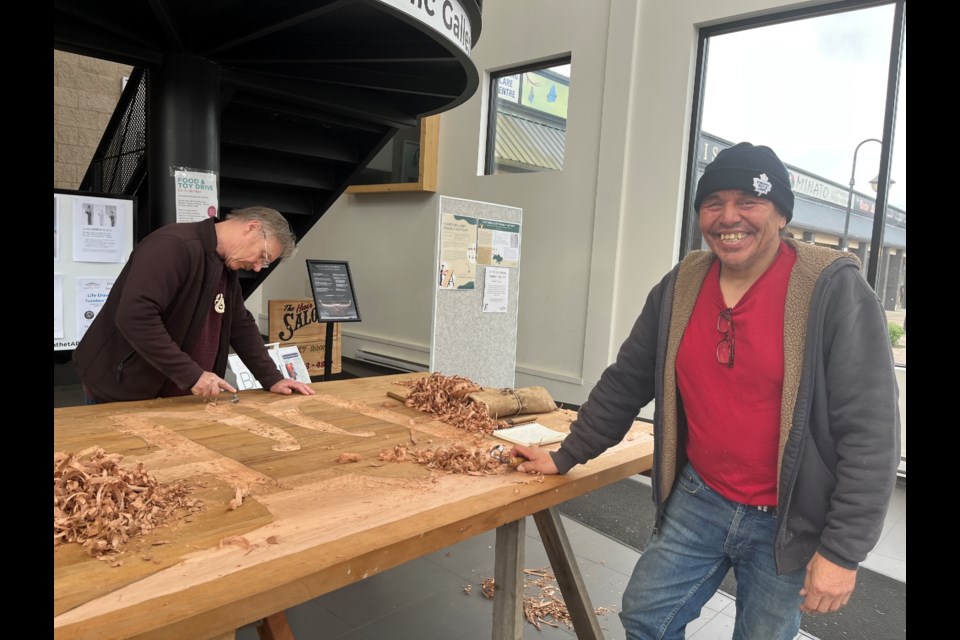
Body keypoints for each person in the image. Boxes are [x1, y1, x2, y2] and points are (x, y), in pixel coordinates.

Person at [510, 143, 900, 640]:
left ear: (780, 212)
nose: (728, 217)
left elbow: (871, 431)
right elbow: (627, 377)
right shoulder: (685, 282)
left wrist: (842, 552)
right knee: (646, 618)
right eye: (713, 203)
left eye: (748, 201)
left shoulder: (830, 288)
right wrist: (567, 453)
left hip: (789, 517)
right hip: (701, 496)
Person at [74, 206, 316, 403]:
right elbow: (136, 317)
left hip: (172, 394)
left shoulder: (224, 264)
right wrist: (192, 375)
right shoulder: (173, 246)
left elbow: (240, 325)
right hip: (123, 387)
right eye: (263, 257)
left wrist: (272, 378)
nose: (256, 267)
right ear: (252, 228)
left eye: (264, 264)